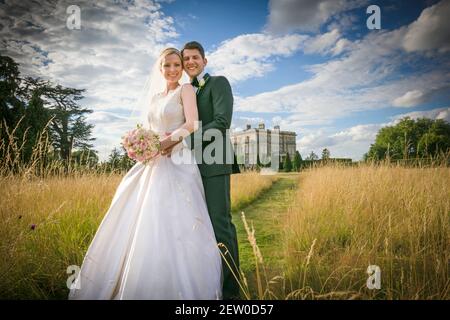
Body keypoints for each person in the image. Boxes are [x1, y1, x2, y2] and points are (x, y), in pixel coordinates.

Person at [68, 48, 222, 300]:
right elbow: (149, 129)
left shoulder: (186, 90)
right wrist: (140, 144)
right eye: (167, 65)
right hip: (152, 163)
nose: (172, 70)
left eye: (176, 65)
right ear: (159, 68)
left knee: (177, 219)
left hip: (177, 161)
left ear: (181, 68)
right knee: (138, 216)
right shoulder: (154, 98)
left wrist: (164, 144)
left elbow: (192, 124)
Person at [163, 41, 241, 299]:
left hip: (215, 163)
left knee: (220, 226)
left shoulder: (218, 83)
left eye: (195, 57)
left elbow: (221, 123)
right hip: (188, 167)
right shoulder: (186, 91)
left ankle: (232, 292)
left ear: (204, 61)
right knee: (198, 227)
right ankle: (211, 283)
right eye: (186, 59)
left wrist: (181, 140)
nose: (190, 62)